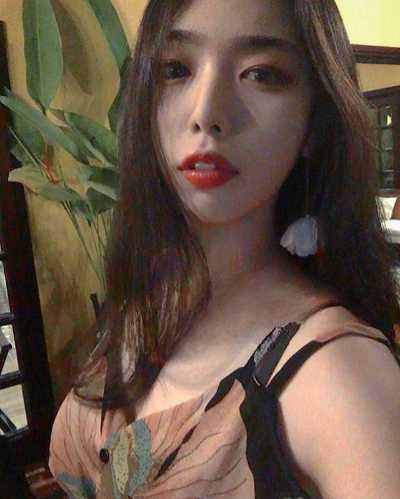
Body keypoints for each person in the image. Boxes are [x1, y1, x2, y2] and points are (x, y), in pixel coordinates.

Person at [48, 0, 400, 497]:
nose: (207, 112)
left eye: (261, 74)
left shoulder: (342, 378)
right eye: (176, 69)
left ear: (315, 124)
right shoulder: (144, 307)